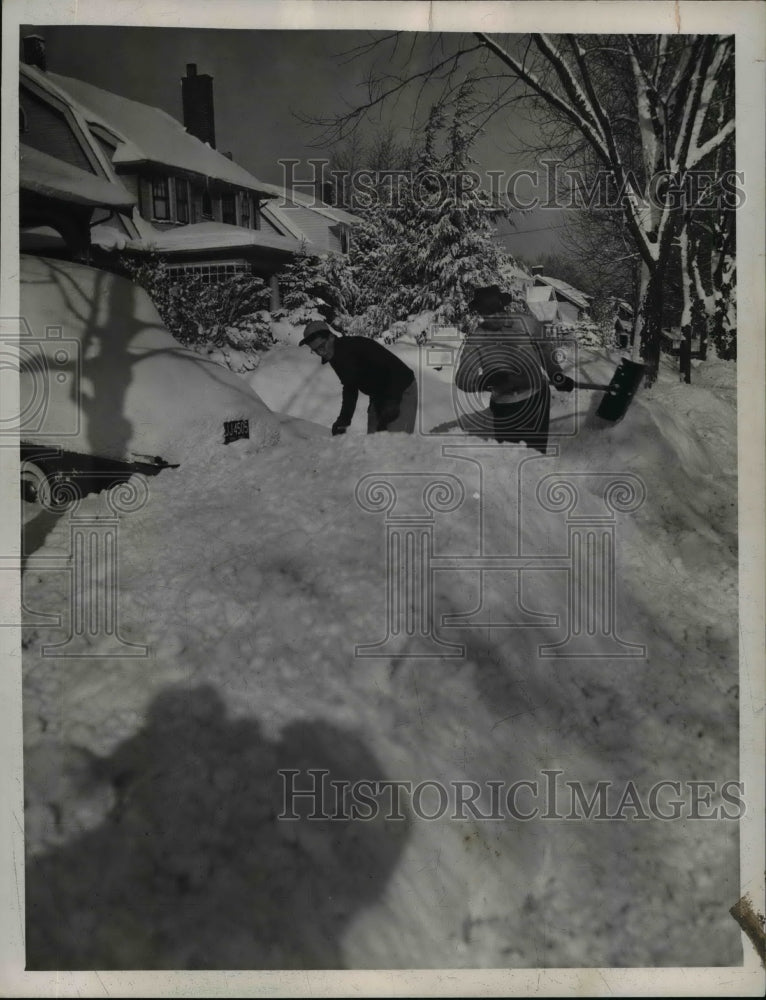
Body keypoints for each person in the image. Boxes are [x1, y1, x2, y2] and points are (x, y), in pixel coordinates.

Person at [455, 285, 574, 454]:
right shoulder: (477, 339)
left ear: (503, 308)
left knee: (535, 455)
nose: (493, 318)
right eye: (487, 314)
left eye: (496, 312)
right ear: (480, 315)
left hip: (537, 400)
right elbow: (462, 379)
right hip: (504, 408)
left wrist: (557, 376)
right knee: (510, 459)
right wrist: (489, 381)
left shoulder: (526, 323)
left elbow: (545, 350)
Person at [299, 320, 418, 435]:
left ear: (331, 337)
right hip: (378, 395)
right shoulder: (334, 355)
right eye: (316, 350)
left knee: (395, 445)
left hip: (402, 388)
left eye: (322, 346)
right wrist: (344, 420)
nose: (321, 353)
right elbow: (350, 386)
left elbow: (393, 369)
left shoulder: (352, 348)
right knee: (373, 443)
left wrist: (393, 401)